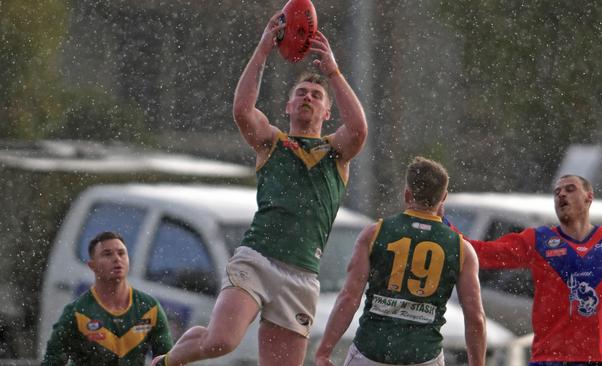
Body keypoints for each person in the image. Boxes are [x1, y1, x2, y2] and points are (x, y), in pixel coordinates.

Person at [151, 9, 367, 366]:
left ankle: (186, 347)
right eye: (301, 92)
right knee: (222, 342)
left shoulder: (335, 154)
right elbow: (242, 110)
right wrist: (264, 49)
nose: (308, 98)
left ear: (328, 112)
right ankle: (168, 361)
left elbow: (359, 130)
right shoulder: (273, 142)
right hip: (258, 258)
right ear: (288, 105)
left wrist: (333, 73)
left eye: (316, 95)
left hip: (301, 275)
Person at [315, 157, 486, 366]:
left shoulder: (375, 233)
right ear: (444, 197)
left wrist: (324, 351)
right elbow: (475, 317)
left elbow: (349, 297)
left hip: (372, 352)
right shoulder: (462, 249)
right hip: (424, 356)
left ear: (407, 194)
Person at [469, 174, 602, 365]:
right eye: (557, 192)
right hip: (549, 358)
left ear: (589, 197)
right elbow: (483, 252)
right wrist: (444, 232)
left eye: (570, 189)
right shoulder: (539, 239)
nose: (561, 194)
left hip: (601, 359)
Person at [42, 231, 173, 365]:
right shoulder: (77, 313)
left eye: (121, 253)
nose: (117, 259)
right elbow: (52, 361)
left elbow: (169, 360)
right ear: (92, 266)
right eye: (107, 254)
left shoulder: (149, 308)